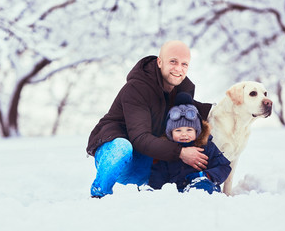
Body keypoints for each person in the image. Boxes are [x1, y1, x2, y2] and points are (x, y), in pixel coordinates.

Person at [86, 40, 212, 198]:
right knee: (122, 147)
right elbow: (139, 138)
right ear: (159, 62)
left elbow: (203, 112)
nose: (178, 69)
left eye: (184, 64)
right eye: (173, 61)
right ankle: (99, 194)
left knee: (190, 136)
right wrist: (180, 152)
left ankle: (195, 185)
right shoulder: (137, 89)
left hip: (145, 159)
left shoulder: (180, 92)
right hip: (114, 154)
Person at [148, 93, 232, 194]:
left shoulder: (207, 147)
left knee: (203, 187)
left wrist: (207, 175)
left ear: (197, 131)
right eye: (178, 130)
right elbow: (158, 174)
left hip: (203, 187)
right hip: (176, 192)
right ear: (170, 132)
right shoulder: (167, 151)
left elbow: (224, 167)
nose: (184, 134)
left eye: (189, 130)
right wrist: (155, 190)